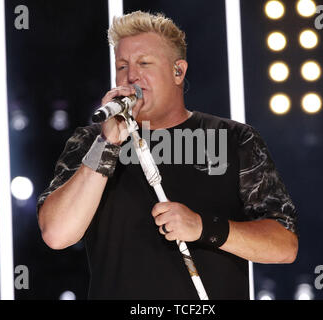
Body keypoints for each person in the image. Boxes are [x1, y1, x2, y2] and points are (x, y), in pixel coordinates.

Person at [37, 11, 298, 300]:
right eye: (122, 65)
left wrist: (203, 227)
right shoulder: (91, 142)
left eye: (144, 63)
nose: (131, 76)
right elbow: (57, 234)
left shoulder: (234, 139)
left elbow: (284, 246)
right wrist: (108, 141)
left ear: (178, 71)